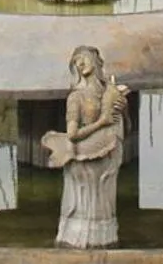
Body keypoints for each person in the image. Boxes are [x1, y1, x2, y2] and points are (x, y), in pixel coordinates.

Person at [42, 44, 129, 248]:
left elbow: (122, 124)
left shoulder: (110, 90)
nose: (80, 64)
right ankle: (79, 239)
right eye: (75, 62)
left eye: (83, 58)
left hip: (107, 159)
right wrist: (101, 122)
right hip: (84, 161)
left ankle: (103, 239)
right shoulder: (76, 97)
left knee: (103, 201)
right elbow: (72, 135)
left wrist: (122, 110)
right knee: (85, 203)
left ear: (96, 61)